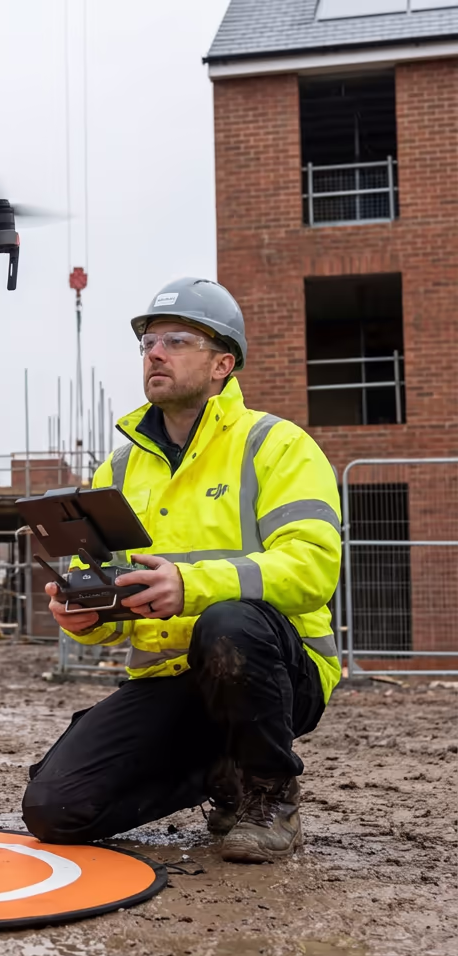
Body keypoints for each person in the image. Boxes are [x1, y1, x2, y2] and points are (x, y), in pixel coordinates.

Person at [22, 278, 341, 863]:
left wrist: (191, 586)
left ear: (223, 363)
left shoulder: (276, 445)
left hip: (277, 674)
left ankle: (269, 796)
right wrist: (85, 615)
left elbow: (313, 567)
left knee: (229, 623)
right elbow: (114, 609)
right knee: (54, 809)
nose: (154, 353)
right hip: (169, 678)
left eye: (175, 340)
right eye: (147, 342)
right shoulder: (118, 468)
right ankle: (222, 773)